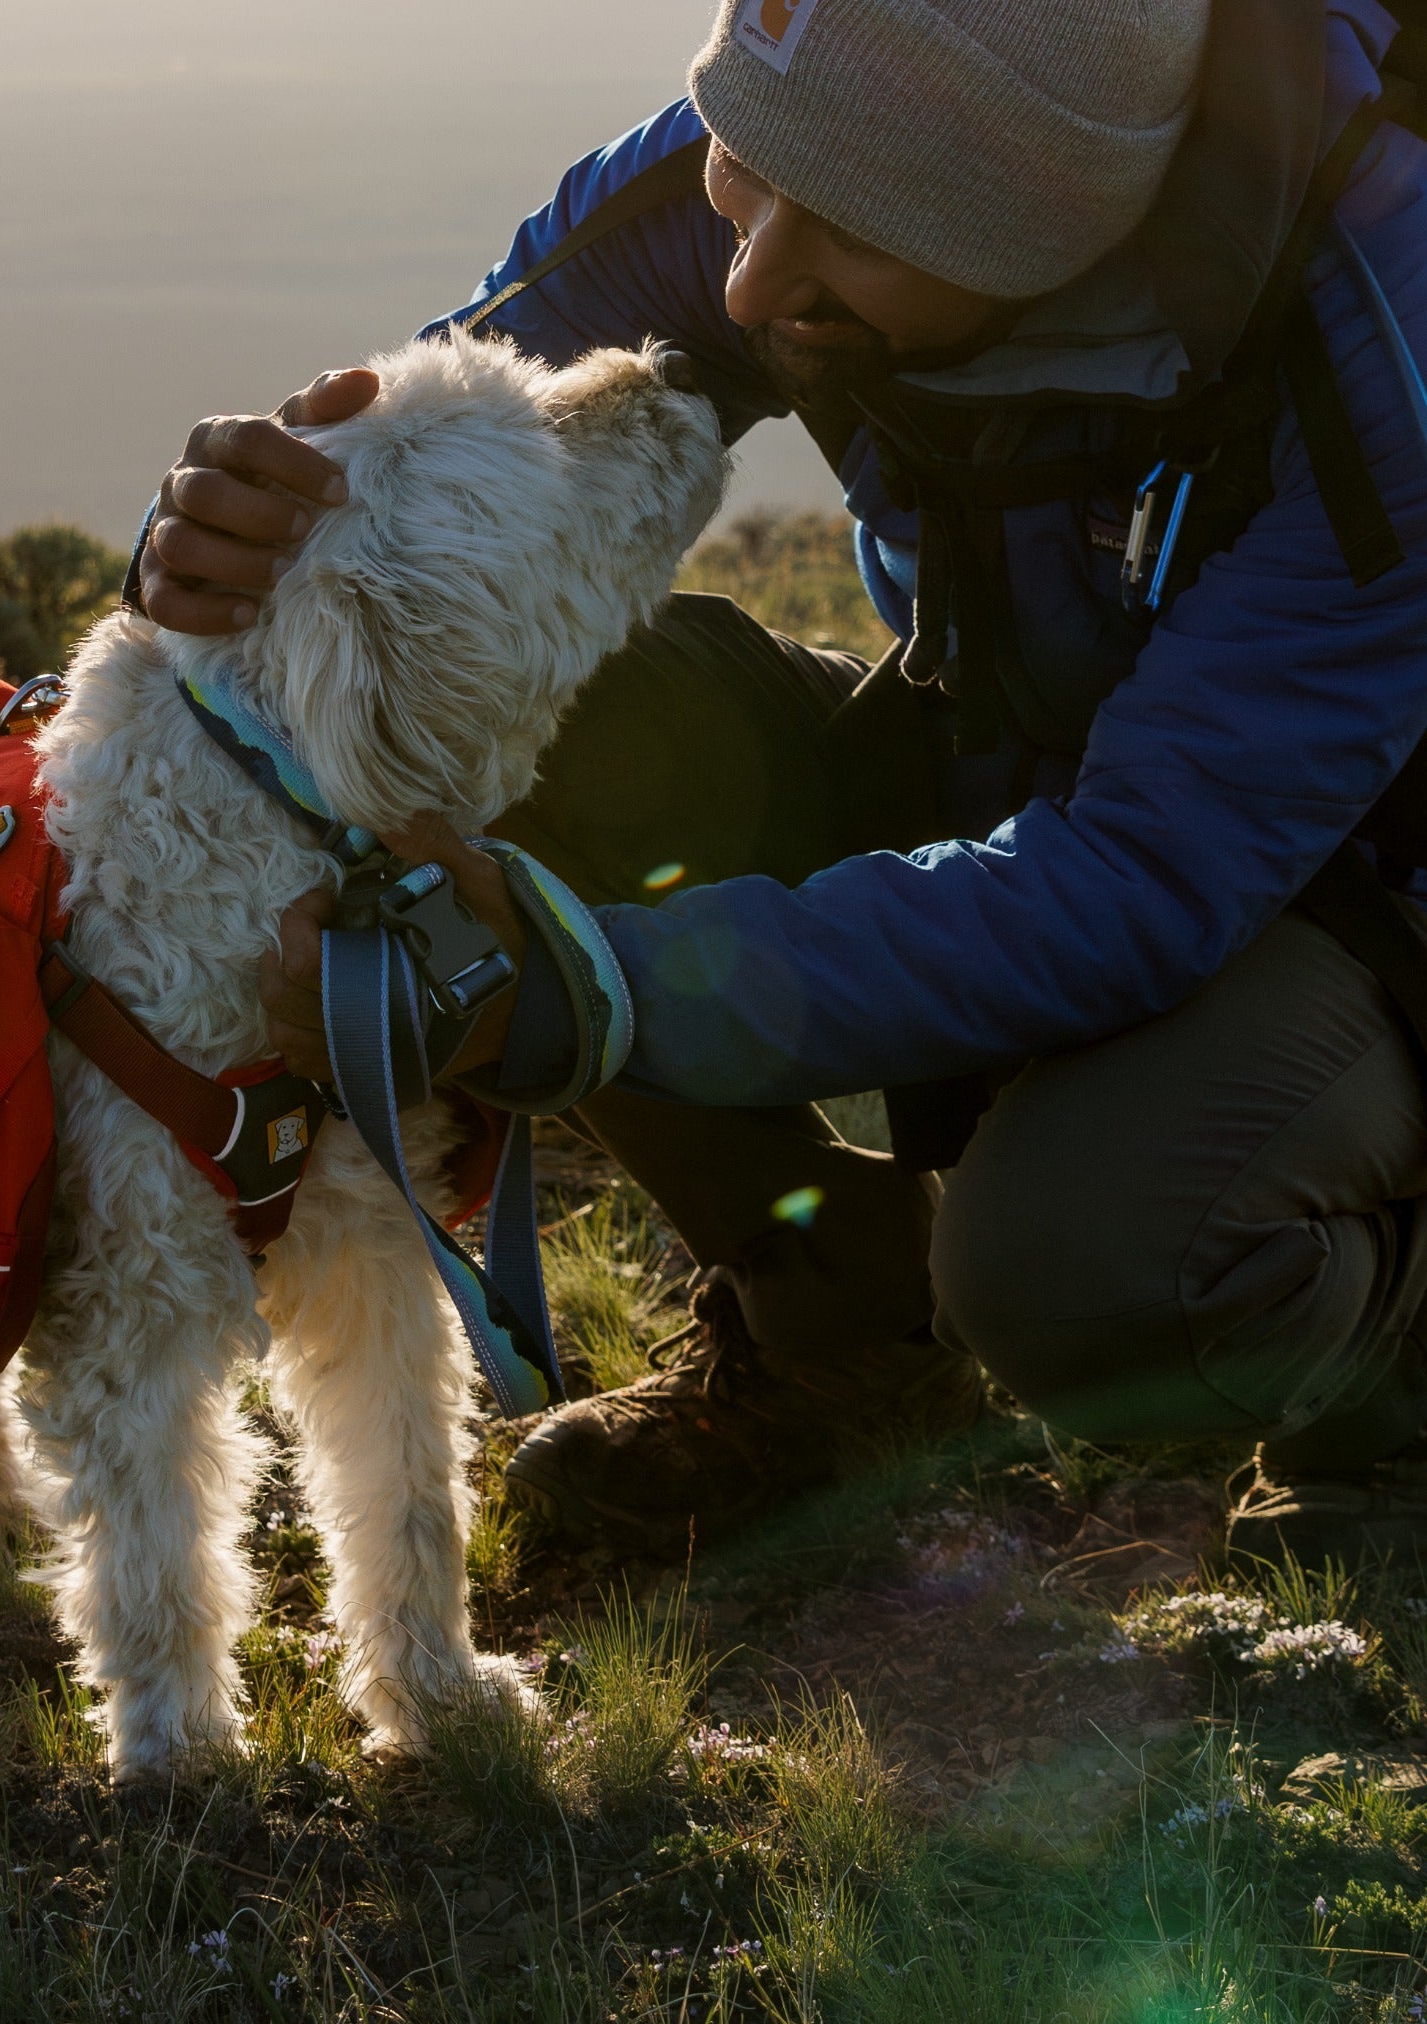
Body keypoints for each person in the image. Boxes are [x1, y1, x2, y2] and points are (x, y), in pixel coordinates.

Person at [134, 0, 1427, 1569]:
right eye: (744, 172)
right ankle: (844, 1344)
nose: (750, 281)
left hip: (1348, 882)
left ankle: (1394, 1389)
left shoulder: (1383, 346)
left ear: (1061, 228)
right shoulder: (798, 161)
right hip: (1005, 753)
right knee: (498, 705)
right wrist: (240, 534)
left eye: (856, 237)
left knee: (1086, 1270)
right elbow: (437, 506)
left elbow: (1138, 881)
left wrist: (580, 989)